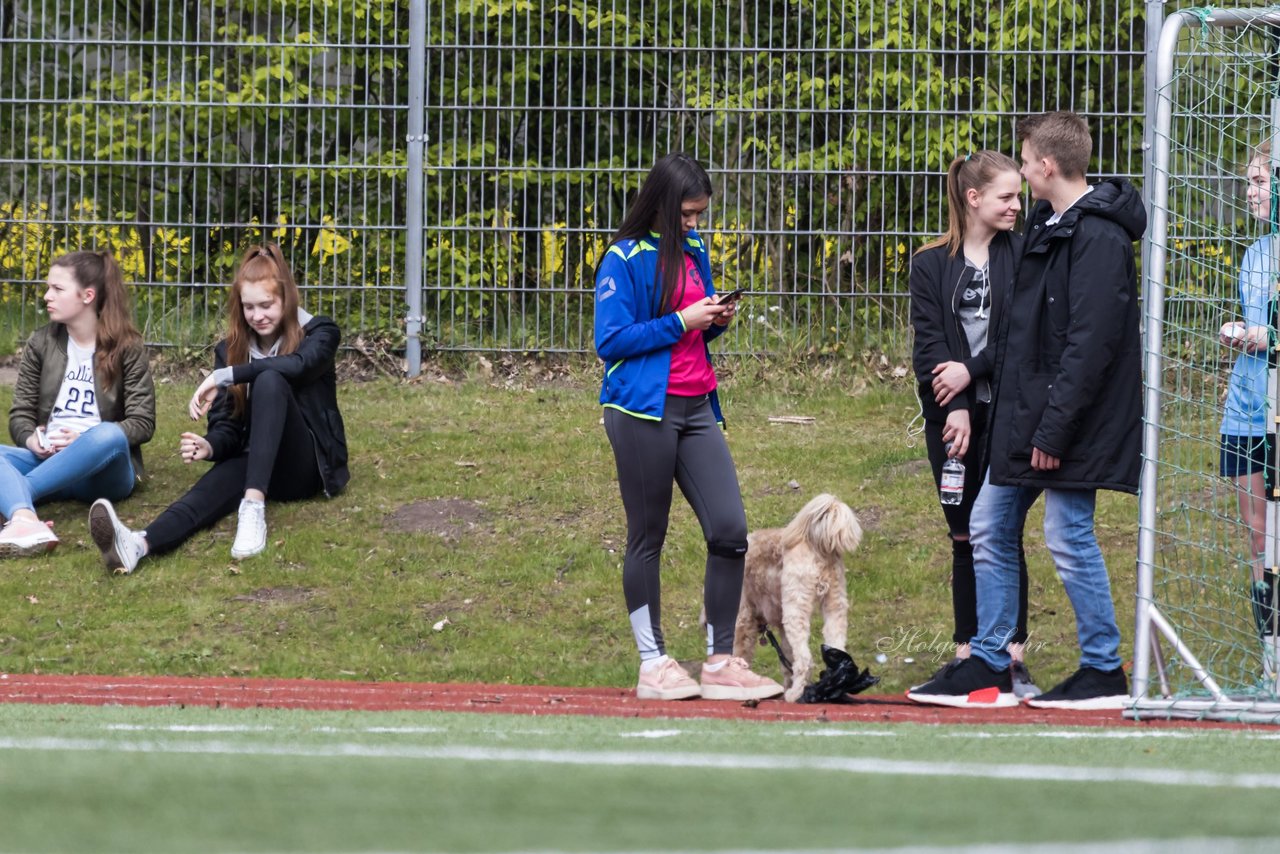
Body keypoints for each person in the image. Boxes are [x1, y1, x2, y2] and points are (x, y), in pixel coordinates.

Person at [908, 111, 1146, 710]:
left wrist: (1054, 427)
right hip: (1029, 420)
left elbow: (1089, 348)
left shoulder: (1098, 236)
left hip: (1069, 426)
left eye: (1024, 163)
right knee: (987, 524)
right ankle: (988, 662)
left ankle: (1102, 669)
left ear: (1043, 166)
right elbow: (1021, 330)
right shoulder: (1049, 223)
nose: (1019, 181)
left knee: (1067, 534)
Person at [594, 151, 783, 701]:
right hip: (640, 411)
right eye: (688, 214)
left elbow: (694, 333)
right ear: (660, 203)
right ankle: (652, 665)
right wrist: (683, 319)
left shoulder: (694, 250)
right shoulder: (622, 258)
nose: (695, 224)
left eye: (700, 214)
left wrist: (713, 320)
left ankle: (721, 662)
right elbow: (611, 342)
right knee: (647, 537)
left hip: (698, 406)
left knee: (729, 532)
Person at [87, 243, 349, 573]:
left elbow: (297, 366)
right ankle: (138, 544)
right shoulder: (230, 350)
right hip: (254, 461)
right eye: (249, 307)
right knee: (205, 492)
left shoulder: (320, 332)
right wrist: (210, 445)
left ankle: (252, 508)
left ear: (287, 299)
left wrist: (226, 376)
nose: (258, 316)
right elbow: (228, 427)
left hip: (305, 468)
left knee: (270, 379)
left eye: (267, 305)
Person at [905, 151, 1039, 700]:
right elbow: (929, 345)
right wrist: (954, 403)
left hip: (1010, 413)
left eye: (1018, 195)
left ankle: (1010, 656)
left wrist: (972, 372)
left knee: (1001, 532)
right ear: (973, 198)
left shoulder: (1026, 254)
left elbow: (1021, 340)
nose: (1016, 205)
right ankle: (967, 653)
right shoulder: (931, 263)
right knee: (963, 532)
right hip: (952, 415)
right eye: (1006, 196)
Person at [0, 251, 155, 556]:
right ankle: (26, 520)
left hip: (104, 470)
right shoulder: (41, 342)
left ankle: (18, 494)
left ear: (87, 295)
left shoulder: (127, 347)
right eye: (48, 288)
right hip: (50, 461)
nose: (47, 296)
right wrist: (31, 439)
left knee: (109, 435)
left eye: (57, 289)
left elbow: (142, 422)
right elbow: (20, 414)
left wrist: (83, 439)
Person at [1217, 140, 1280, 677]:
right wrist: (1245, 336)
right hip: (1247, 411)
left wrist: (1269, 336)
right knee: (1258, 533)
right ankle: (1271, 654)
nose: (1250, 191)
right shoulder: (1256, 252)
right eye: (1249, 181)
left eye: (1260, 181)